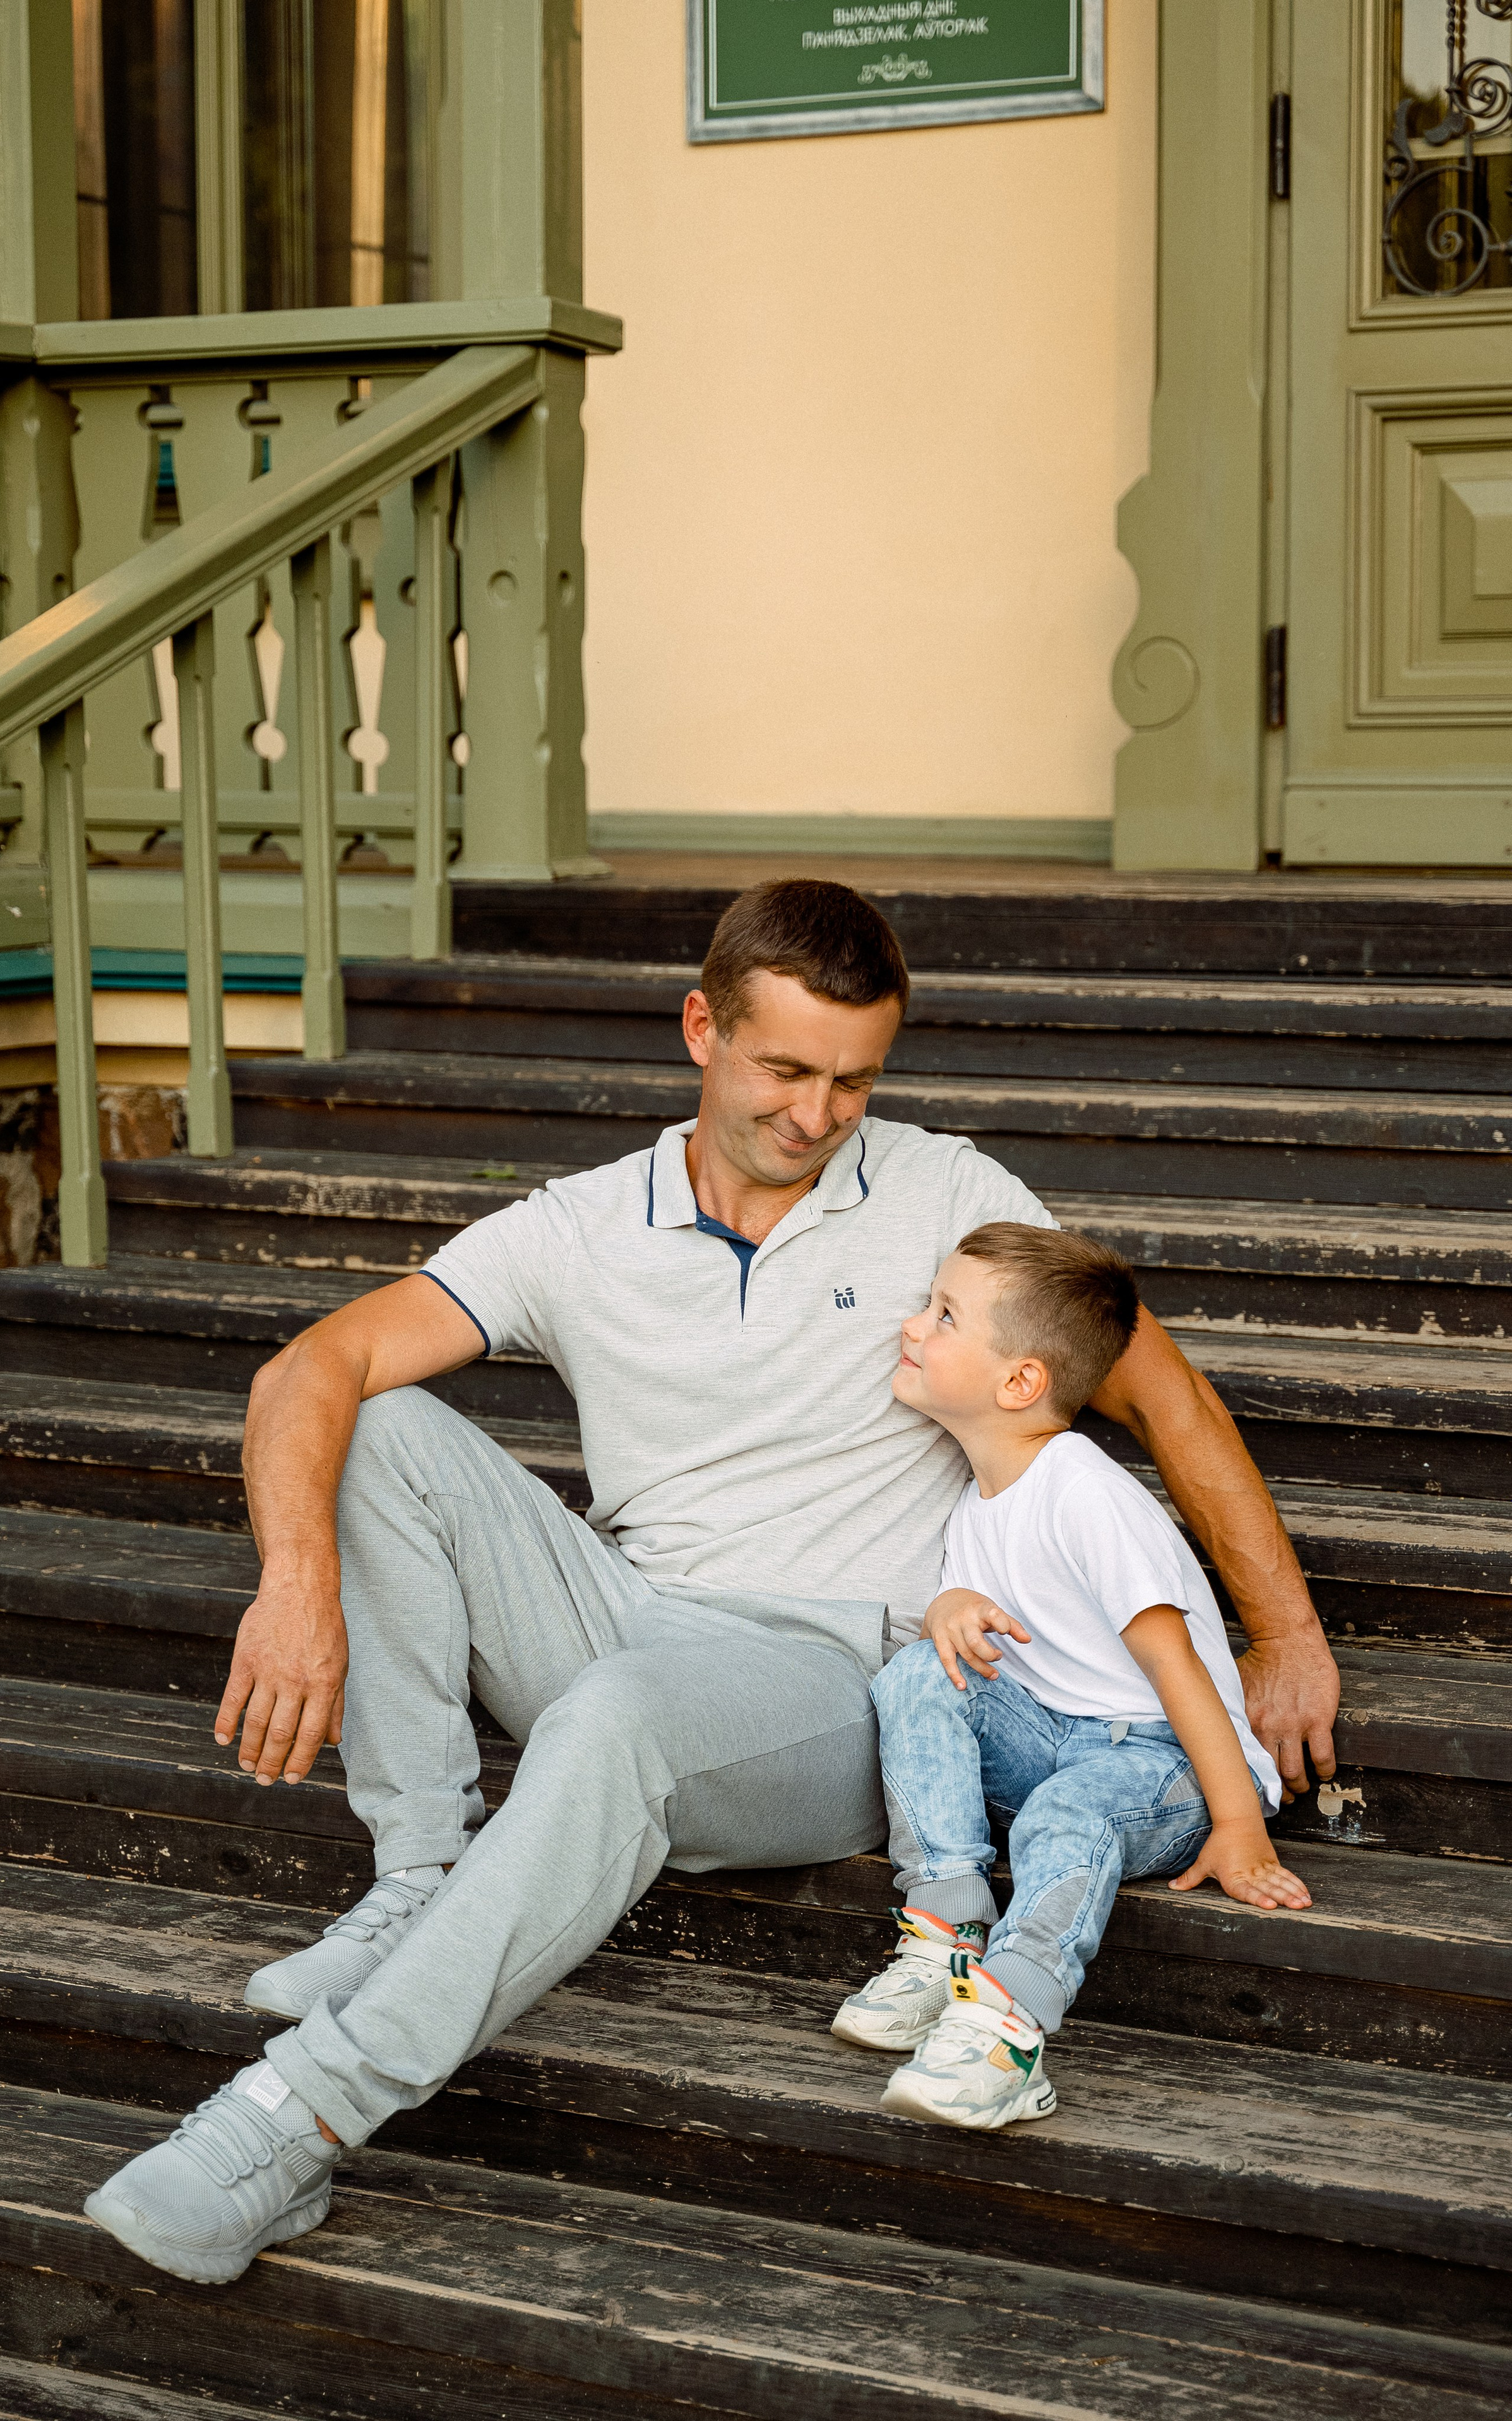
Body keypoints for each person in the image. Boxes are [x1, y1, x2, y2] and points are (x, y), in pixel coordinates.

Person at [85, 879, 1338, 2283]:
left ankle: (291, 2120)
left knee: (620, 1714)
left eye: (853, 1081)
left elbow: (1160, 1393)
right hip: (626, 1618)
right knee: (374, 1426)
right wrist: (296, 1583)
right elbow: (310, 1365)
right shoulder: (580, 1223)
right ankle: (421, 1875)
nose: (816, 1115)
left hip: (832, 1677)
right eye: (784, 1070)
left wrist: (1283, 1635)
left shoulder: (947, 1193)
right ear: (702, 1028)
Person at [832, 1222, 1312, 2131]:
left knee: (1066, 1811)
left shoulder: (1083, 1490)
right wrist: (946, 1609)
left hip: (1170, 1764)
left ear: (1020, 1382)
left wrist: (1240, 1825)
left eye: (944, 1316)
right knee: (919, 1674)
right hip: (1056, 1737)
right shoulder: (976, 1502)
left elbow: (1177, 1667)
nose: (911, 1327)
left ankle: (1006, 2031)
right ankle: (946, 1936)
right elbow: (978, 1637)